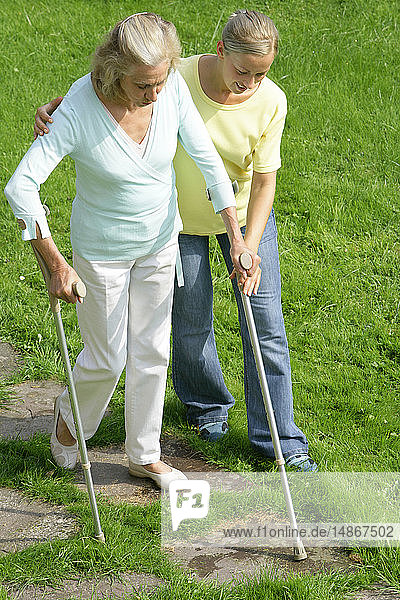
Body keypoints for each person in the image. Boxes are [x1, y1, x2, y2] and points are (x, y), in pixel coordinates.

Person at [34, 10, 317, 471]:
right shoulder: (173, 76)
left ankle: (258, 443)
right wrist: (57, 108)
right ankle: (191, 412)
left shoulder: (248, 97)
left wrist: (242, 238)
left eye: (260, 74)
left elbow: (240, 170)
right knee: (153, 339)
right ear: (221, 51)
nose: (249, 83)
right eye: (242, 70)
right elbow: (102, 97)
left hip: (208, 224)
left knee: (229, 333)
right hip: (152, 230)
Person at [5, 12, 257, 491]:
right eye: (144, 85)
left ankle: (144, 454)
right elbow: (21, 187)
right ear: (115, 71)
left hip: (160, 242)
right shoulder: (77, 110)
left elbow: (205, 157)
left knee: (152, 351)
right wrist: (54, 264)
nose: (155, 94)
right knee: (106, 358)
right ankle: (69, 421)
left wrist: (237, 237)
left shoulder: (170, 89)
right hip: (101, 253)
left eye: (161, 81)